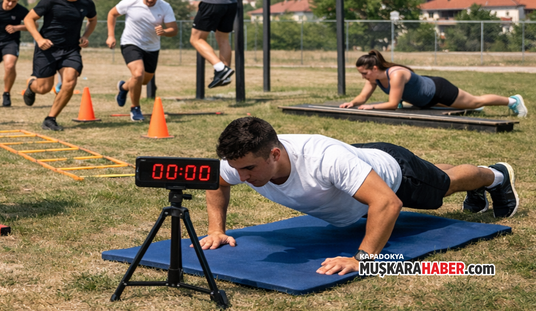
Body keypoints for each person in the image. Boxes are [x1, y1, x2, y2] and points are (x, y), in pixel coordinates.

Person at [200, 116, 519, 276]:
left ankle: (496, 176)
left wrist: (361, 260)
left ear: (274, 154)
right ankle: (466, 176)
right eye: (237, 169)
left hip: (397, 175)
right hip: (362, 160)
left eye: (248, 170)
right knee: (432, 173)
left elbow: (387, 202)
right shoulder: (243, 161)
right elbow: (217, 180)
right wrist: (216, 228)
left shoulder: (322, 159)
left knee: (443, 186)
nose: (241, 177)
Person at [339, 50, 527, 117]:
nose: (363, 77)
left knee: (476, 101)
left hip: (438, 90)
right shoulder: (374, 79)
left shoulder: (395, 75)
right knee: (466, 105)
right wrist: (353, 103)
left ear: (373, 67)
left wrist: (371, 107)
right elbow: (363, 97)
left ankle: (512, 101)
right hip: (424, 100)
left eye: (364, 73)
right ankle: (464, 107)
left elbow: (392, 104)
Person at [22, 0, 97, 131]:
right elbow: (29, 19)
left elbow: (93, 19)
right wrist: (39, 39)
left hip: (71, 50)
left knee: (70, 81)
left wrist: (85, 35)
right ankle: (31, 86)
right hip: (47, 49)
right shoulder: (50, 0)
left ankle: (50, 119)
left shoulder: (87, 4)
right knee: (44, 88)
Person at [106, 0, 177, 121]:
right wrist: (111, 35)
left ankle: (124, 88)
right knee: (138, 74)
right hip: (131, 43)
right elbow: (112, 14)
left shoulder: (165, 7)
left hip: (152, 47)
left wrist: (164, 32)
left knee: (143, 81)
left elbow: (173, 30)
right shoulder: (130, 3)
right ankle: (135, 108)